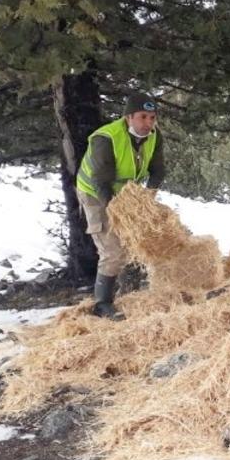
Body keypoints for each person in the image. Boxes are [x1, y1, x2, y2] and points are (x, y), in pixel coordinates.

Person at [75, 92, 164, 319]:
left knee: (135, 240)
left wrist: (147, 200)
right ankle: (102, 304)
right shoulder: (106, 138)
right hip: (95, 192)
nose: (148, 123)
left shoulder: (154, 136)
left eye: (152, 118)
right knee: (112, 248)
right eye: (142, 117)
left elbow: (158, 171)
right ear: (128, 117)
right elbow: (100, 182)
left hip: (125, 191)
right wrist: (119, 212)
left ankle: (128, 291)